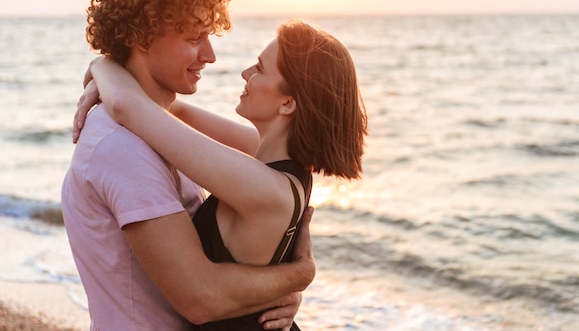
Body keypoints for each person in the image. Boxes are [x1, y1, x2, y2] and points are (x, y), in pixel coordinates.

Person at [62, 0, 315, 331]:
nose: (210, 55)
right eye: (194, 38)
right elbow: (201, 299)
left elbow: (272, 172)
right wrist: (298, 275)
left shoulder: (159, 131)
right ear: (142, 37)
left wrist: (104, 68)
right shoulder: (122, 148)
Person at [75, 19, 368, 330]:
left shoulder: (264, 187)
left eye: (259, 69)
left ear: (288, 102)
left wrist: (101, 66)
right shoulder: (273, 160)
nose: (245, 74)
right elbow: (173, 112)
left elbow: (129, 107)